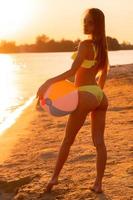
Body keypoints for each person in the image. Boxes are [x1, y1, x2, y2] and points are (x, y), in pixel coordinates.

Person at [36, 8, 110, 194]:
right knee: (99, 142)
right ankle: (98, 184)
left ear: (97, 25)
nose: (85, 25)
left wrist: (47, 82)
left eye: (90, 22)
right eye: (85, 21)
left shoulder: (85, 45)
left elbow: (71, 73)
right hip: (99, 96)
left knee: (68, 140)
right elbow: (103, 75)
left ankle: (54, 178)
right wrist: (97, 95)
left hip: (86, 94)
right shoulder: (102, 46)